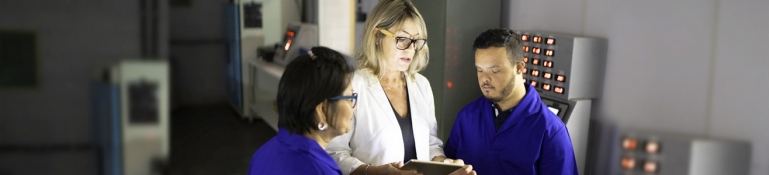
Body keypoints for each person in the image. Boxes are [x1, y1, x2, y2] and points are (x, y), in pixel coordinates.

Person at [326, 0, 474, 175]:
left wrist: (445, 164)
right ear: (376, 36)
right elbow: (335, 154)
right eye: (402, 39)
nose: (411, 49)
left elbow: (430, 144)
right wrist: (378, 172)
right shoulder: (352, 86)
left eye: (416, 41)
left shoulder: (421, 85)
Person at [444, 28, 579, 174]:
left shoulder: (551, 130)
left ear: (520, 67)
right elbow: (447, 168)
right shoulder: (467, 116)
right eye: (480, 70)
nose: (484, 79)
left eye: (494, 71)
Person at [248, 47, 357, 175]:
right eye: (350, 97)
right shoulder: (319, 170)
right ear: (322, 110)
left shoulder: (262, 154)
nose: (353, 106)